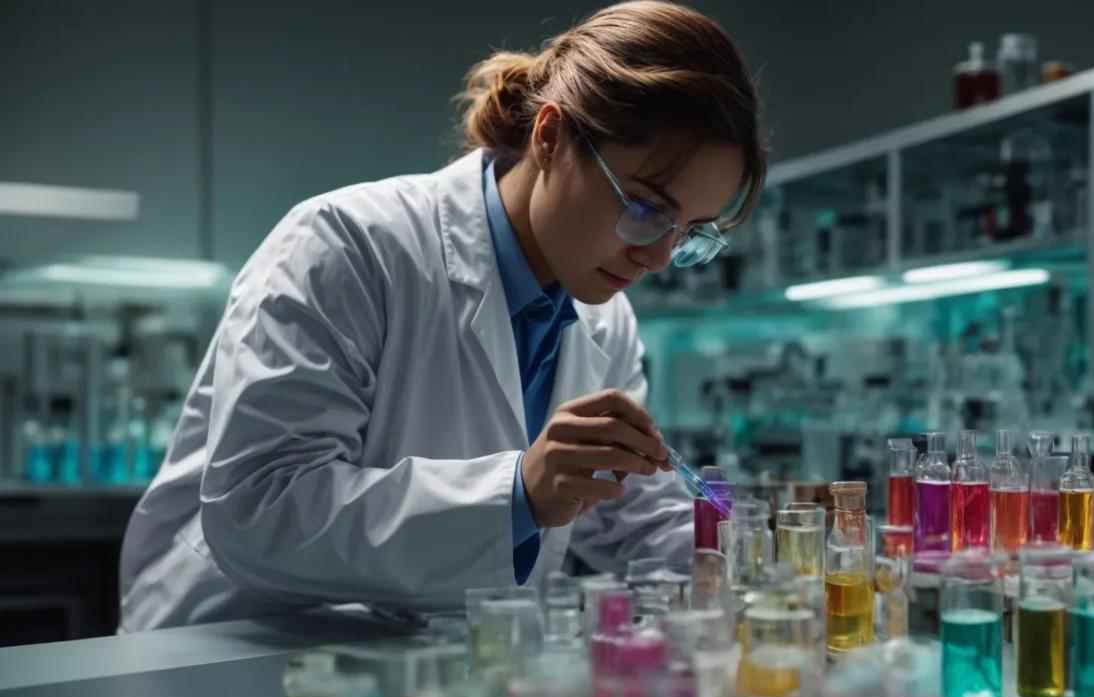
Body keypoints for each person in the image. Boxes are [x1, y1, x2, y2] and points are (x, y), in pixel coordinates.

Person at [118, 1, 767, 630]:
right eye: (648, 208)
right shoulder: (348, 244)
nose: (657, 257)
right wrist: (518, 492)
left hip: (415, 676)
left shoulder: (604, 320)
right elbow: (260, 512)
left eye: (687, 233)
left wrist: (756, 538)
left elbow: (631, 513)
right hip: (228, 657)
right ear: (550, 136)